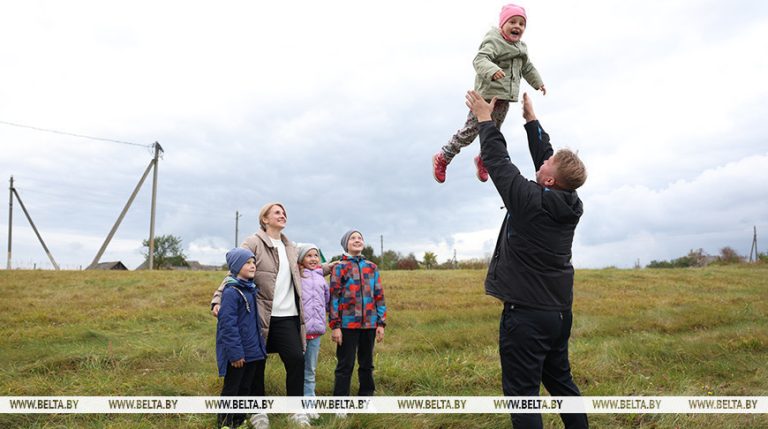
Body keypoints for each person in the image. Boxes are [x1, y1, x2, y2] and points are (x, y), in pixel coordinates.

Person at [466, 90, 588, 429]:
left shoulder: (528, 200)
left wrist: (484, 120)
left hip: (526, 319)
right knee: (563, 386)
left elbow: (499, 163)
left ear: (549, 180)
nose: (541, 162)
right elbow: (550, 161)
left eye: (545, 165)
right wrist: (531, 121)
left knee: (523, 396)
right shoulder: (571, 203)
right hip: (558, 315)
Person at [210, 202, 311, 428]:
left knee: (296, 359)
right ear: (264, 219)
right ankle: (258, 412)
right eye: (277, 212)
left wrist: (330, 266)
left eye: (284, 212)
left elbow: (306, 268)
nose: (282, 215)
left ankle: (295, 411)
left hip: (288, 316)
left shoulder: (290, 246)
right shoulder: (253, 241)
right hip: (261, 315)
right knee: (257, 364)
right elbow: (234, 271)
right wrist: (218, 298)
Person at [433, 3, 545, 184]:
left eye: (521, 24)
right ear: (502, 24)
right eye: (512, 22)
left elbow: (527, 67)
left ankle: (482, 159)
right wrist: (492, 70)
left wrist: (538, 83)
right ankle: (444, 156)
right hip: (485, 99)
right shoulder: (494, 40)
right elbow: (480, 59)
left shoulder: (521, 48)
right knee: (470, 132)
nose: (517, 26)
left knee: (493, 133)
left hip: (503, 100)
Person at [329, 230, 386, 402]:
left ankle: (366, 398)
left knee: (367, 364)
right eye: (353, 238)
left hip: (369, 324)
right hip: (347, 325)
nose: (357, 240)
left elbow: (379, 295)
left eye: (360, 238)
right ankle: (340, 402)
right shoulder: (339, 267)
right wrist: (336, 326)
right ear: (345, 244)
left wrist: (381, 323)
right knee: (345, 365)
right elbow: (334, 297)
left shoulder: (372, 267)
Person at [216, 248, 267, 429]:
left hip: (253, 351)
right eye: (247, 263)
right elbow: (228, 326)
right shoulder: (231, 292)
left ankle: (239, 419)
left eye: (253, 262)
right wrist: (235, 354)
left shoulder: (250, 290)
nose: (252, 265)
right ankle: (225, 422)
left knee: (245, 388)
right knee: (232, 388)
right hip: (238, 354)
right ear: (236, 266)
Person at [296, 243, 330, 405]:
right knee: (297, 369)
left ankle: (310, 402)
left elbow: (327, 300)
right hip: (299, 331)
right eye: (309, 255)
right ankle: (296, 401)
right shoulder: (297, 275)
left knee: (310, 370)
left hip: (316, 331)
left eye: (315, 255)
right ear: (301, 258)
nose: (313, 259)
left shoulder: (320, 277)